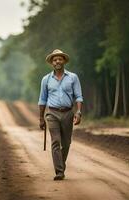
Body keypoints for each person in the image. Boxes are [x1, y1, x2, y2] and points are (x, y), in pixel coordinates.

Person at [38, 49, 83, 181]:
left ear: (64, 61)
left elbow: (78, 96)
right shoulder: (46, 80)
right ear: (52, 63)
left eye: (60, 59)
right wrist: (41, 118)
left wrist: (79, 112)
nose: (57, 61)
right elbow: (42, 100)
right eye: (55, 59)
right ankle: (59, 171)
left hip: (68, 113)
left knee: (66, 143)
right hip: (52, 113)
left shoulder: (73, 77)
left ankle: (61, 164)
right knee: (56, 141)